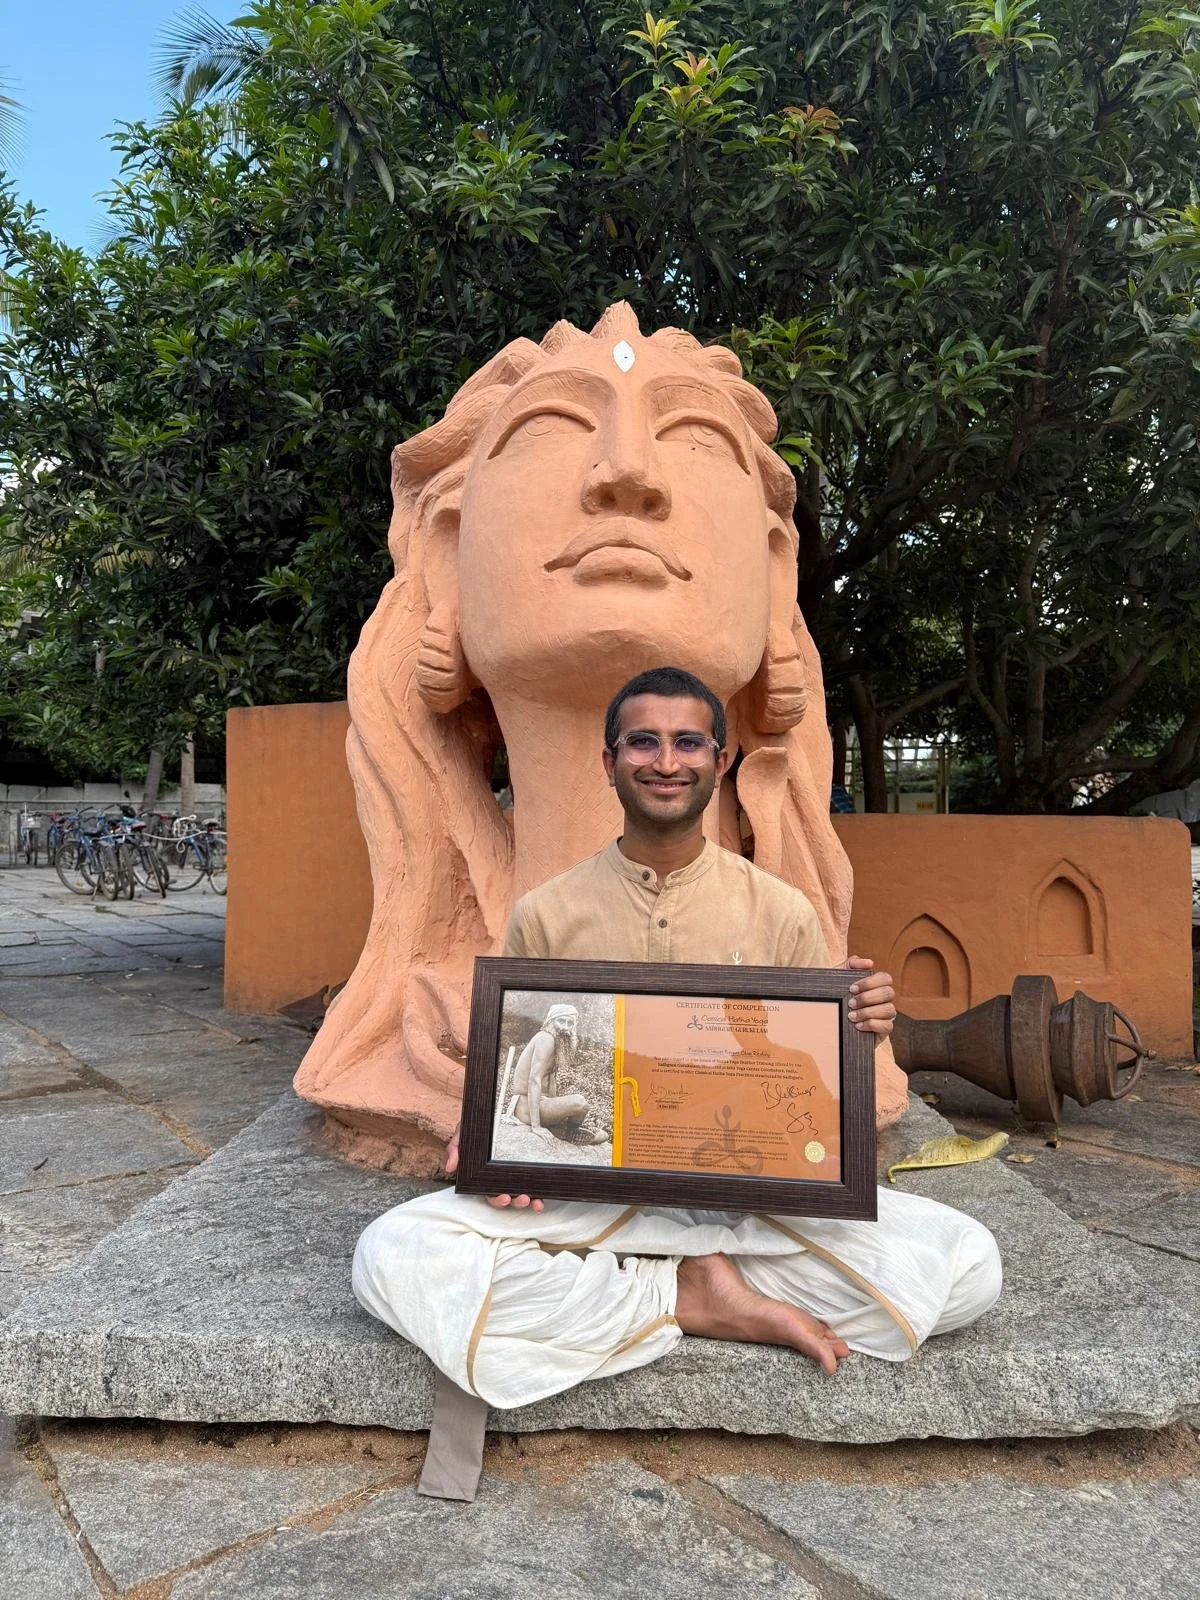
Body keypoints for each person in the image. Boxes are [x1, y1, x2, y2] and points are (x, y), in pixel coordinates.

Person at [352, 667, 1003, 1494]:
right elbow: (520, 1060)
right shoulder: (548, 912)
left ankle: (664, 1284)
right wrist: (496, 1144)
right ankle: (682, 1296)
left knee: (971, 1265)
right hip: (595, 1202)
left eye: (688, 740)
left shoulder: (781, 913)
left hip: (742, 1201)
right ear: (610, 761)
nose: (667, 760)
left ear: (721, 761)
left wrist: (858, 1025)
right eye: (644, 742)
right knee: (392, 1252)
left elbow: (810, 1092)